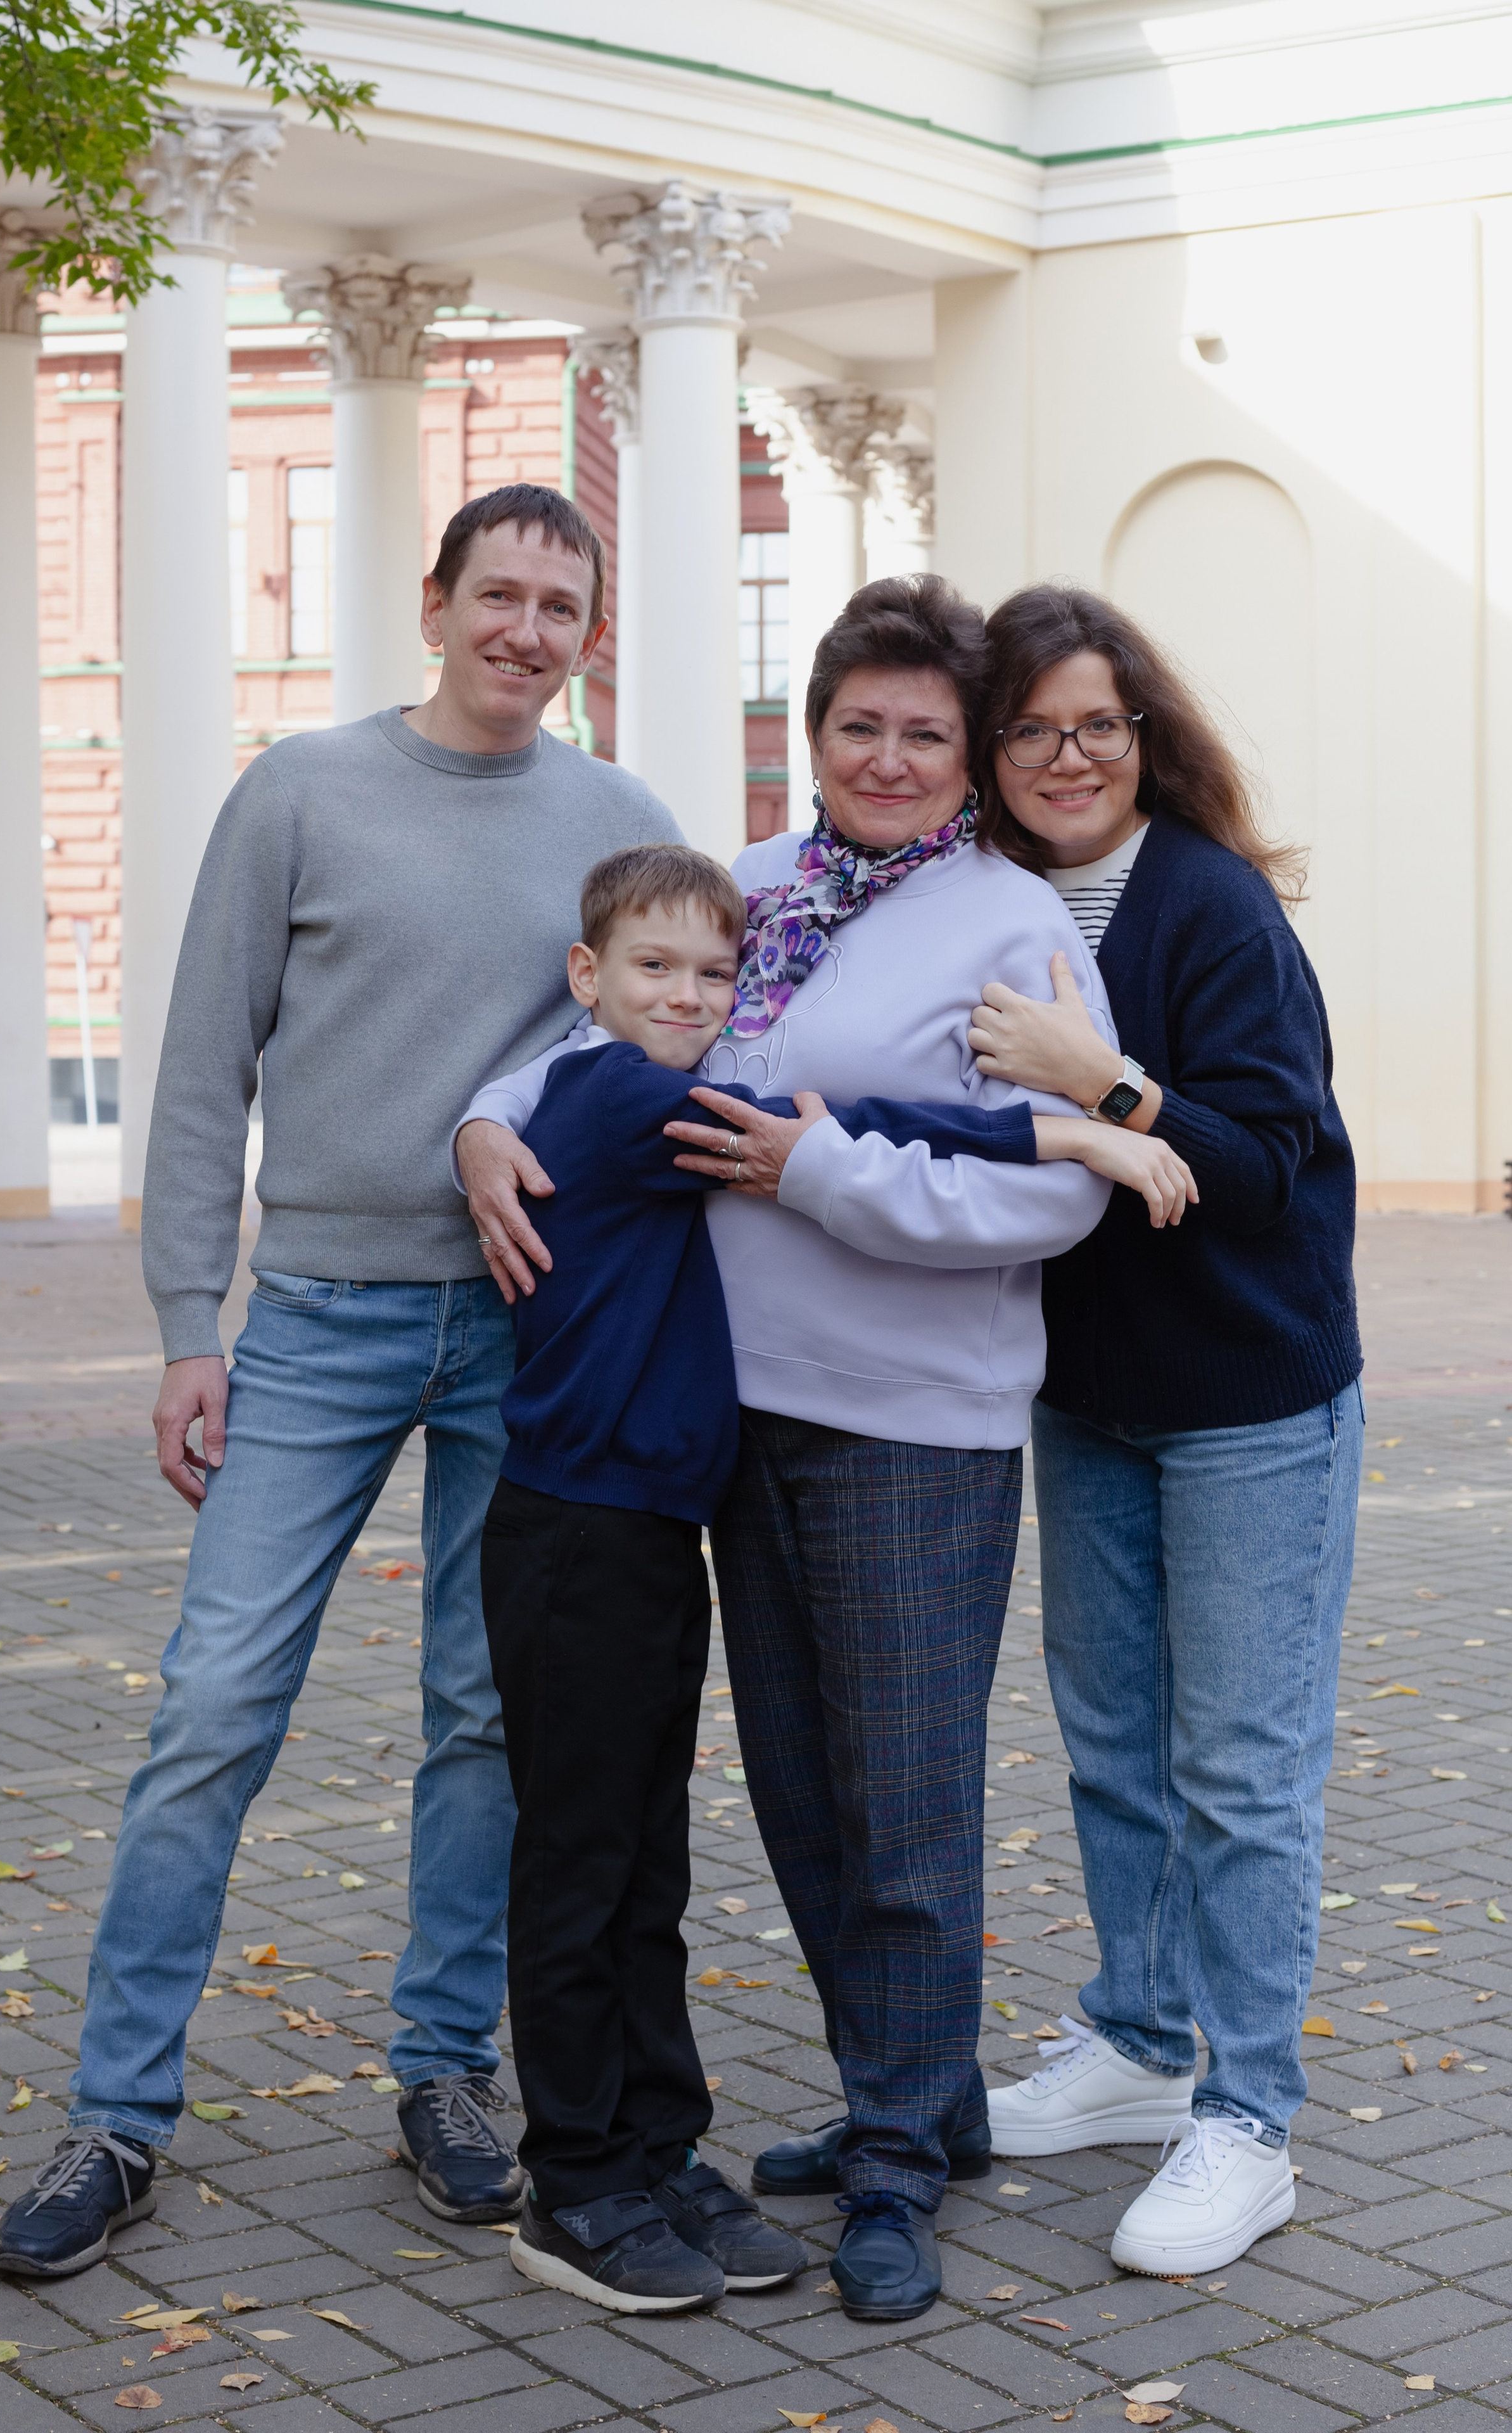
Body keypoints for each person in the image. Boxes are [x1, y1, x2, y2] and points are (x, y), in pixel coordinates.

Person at [458, 575, 1191, 2324]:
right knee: (797, 1787)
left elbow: (1041, 1188)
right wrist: (485, 1131)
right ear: (813, 730)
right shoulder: (757, 893)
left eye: (924, 733)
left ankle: (894, 2166)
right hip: (731, 1417)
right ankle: (910, 2095)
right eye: (855, 724)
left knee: (905, 1807)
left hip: (909, 1425)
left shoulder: (1010, 921)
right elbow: (592, 1040)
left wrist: (819, 1176)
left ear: (969, 758)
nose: (885, 756)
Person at [0, 485, 683, 2282]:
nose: (528, 631)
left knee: (480, 1718)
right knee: (215, 1700)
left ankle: (446, 2073)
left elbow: (677, 1044)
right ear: (438, 602)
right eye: (501, 596)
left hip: (528, 1329)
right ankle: (118, 2112)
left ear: (588, 633)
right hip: (315, 1317)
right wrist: (182, 1330)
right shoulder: (300, 790)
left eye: (562, 606)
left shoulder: (622, 824)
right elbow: (205, 1068)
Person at [965, 584, 1362, 2278]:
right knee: (1115, 1743)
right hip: (1090, 1395)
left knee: (1241, 1769)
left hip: (1252, 1400)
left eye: (1097, 725)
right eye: (1035, 726)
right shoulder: (977, 902)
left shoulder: (1209, 909)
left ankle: (1250, 2116)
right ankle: (1137, 2040)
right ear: (994, 749)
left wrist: (1096, 1073)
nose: (1068, 754)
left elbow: (1265, 1166)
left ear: (1144, 740)